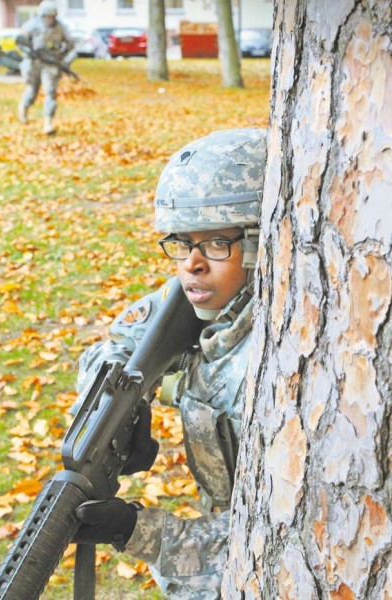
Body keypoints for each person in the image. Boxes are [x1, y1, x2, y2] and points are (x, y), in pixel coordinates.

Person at [73, 127, 267, 598]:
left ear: (266, 245)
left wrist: (136, 530)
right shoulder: (209, 298)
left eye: (217, 243)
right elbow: (120, 340)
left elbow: (281, 542)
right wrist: (115, 401)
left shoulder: (287, 360)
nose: (191, 265)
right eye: (181, 243)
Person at [16, 0, 76, 134]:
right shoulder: (32, 24)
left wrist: (65, 61)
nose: (50, 19)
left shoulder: (61, 27)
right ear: (42, 15)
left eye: (52, 16)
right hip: (34, 64)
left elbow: (72, 47)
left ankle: (48, 124)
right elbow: (20, 41)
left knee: (50, 93)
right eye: (47, 16)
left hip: (52, 64)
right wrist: (29, 52)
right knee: (32, 91)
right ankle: (23, 113)